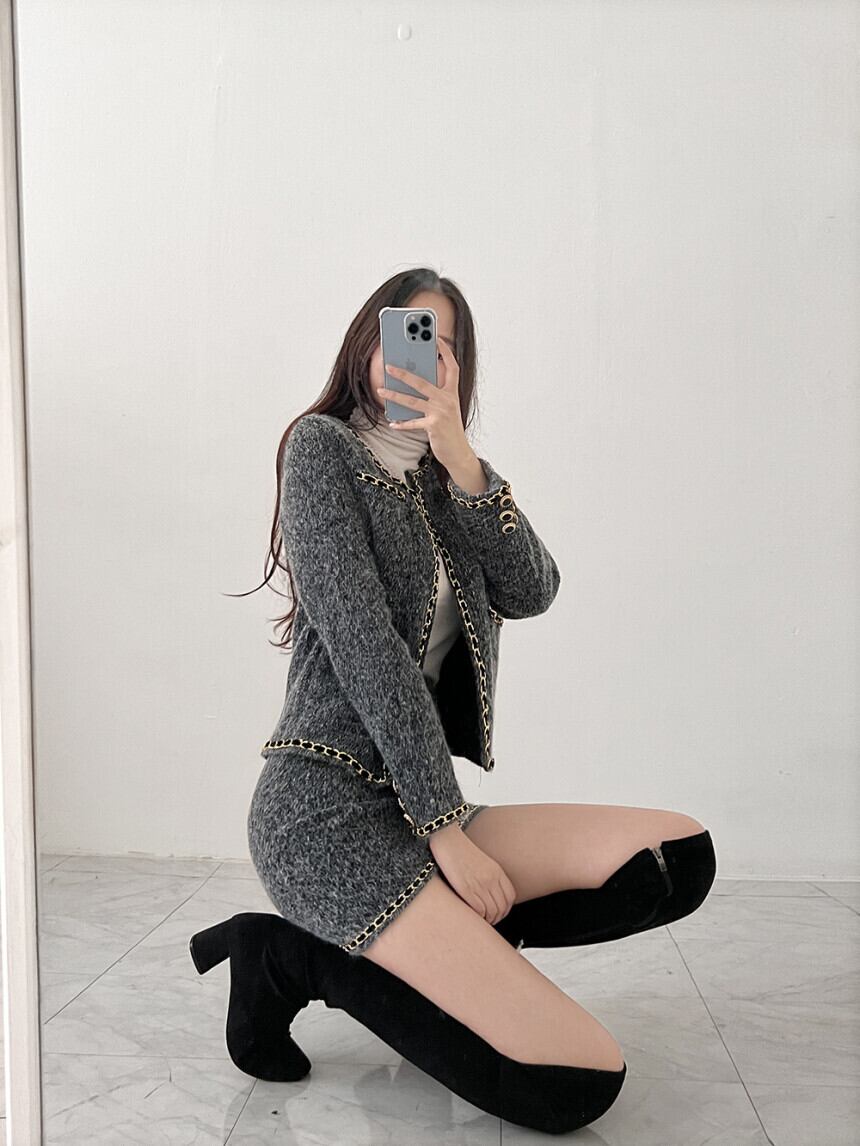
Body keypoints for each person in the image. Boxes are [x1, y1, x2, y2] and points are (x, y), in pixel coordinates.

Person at [190, 267, 716, 1134]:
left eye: (441, 343)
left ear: (456, 366)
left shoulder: (447, 480)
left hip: (420, 802)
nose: (417, 354)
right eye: (404, 331)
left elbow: (533, 589)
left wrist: (464, 462)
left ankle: (436, 953)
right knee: (577, 1085)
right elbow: (369, 654)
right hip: (323, 813)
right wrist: (446, 835)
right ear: (366, 342)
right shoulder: (321, 451)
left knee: (677, 859)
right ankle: (290, 957)